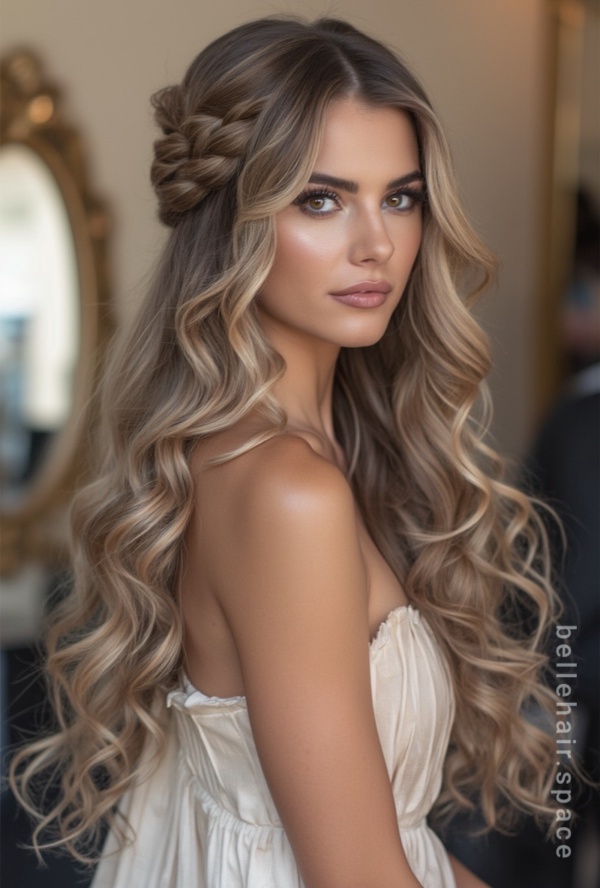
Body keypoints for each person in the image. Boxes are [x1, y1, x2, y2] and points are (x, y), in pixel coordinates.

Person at [10, 17, 560, 888]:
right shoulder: (287, 491)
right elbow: (358, 874)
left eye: (400, 197)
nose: (376, 244)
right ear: (234, 222)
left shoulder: (299, 455)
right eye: (321, 199)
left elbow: (396, 844)